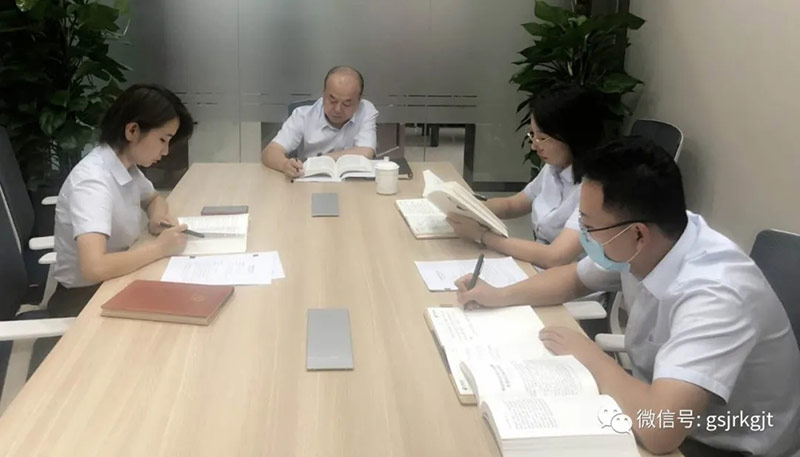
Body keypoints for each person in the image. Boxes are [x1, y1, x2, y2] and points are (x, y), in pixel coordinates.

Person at [454, 137, 800, 457]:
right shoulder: (654, 239)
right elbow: (572, 280)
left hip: (725, 443)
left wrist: (591, 356)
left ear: (637, 234)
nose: (584, 236)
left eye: (589, 226)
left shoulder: (716, 295)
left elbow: (661, 430)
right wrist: (497, 296)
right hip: (659, 407)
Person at [51, 84, 194, 317]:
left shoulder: (126, 166)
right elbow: (94, 267)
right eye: (163, 139)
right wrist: (159, 248)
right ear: (132, 131)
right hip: (83, 301)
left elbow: (153, 198)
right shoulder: (93, 182)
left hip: (115, 281)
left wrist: (157, 217)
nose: (166, 151)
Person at [446, 83, 603, 269]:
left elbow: (555, 257)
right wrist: (468, 207)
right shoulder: (554, 167)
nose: (534, 146)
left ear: (573, 136)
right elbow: (513, 204)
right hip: (536, 266)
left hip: (568, 279)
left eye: (542, 138)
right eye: (532, 135)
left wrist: (482, 236)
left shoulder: (597, 188)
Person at [261, 65, 379, 178]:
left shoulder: (366, 110)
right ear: (324, 93)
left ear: (359, 100)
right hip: (309, 181)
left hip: (351, 182)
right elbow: (270, 152)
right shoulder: (302, 115)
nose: (338, 109)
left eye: (347, 104)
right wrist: (285, 165)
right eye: (332, 100)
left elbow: (366, 152)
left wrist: (322, 159)